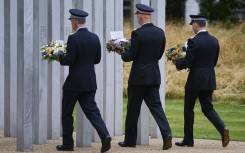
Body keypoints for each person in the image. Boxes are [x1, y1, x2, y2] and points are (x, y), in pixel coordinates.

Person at [118, 3, 172, 150]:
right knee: (156, 107)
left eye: (138, 15)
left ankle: (130, 141)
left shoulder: (138, 34)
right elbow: (160, 54)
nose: (138, 18)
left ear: (141, 15)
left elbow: (130, 56)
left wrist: (121, 51)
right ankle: (167, 134)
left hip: (139, 77)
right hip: (154, 74)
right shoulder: (160, 32)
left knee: (133, 109)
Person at [56, 9, 111, 153]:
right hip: (90, 81)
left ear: (74, 22)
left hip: (74, 83)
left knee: (67, 113)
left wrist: (59, 55)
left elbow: (70, 60)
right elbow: (97, 59)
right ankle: (105, 135)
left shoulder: (73, 38)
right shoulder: (95, 37)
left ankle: (68, 144)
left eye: (71, 21)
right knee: (93, 112)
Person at [173, 15, 230, 148]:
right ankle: (223, 129)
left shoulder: (194, 41)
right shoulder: (214, 41)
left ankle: (188, 140)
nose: (192, 27)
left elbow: (188, 61)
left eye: (192, 24)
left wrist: (177, 62)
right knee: (208, 108)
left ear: (196, 25)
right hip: (209, 77)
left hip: (195, 79)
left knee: (188, 109)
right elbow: (214, 61)